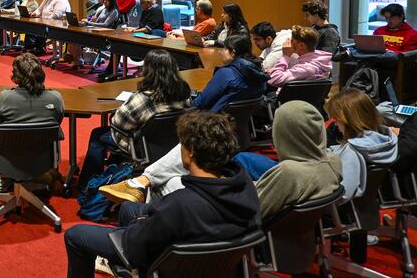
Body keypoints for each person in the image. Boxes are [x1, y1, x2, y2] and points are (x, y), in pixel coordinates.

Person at [64, 112, 261, 278]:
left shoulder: (181, 203)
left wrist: (141, 223)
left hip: (169, 261)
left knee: (75, 235)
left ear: (190, 151)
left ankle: (131, 269)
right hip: (215, 257)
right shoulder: (245, 187)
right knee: (127, 207)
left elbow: (134, 246)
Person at [99, 101, 343, 224]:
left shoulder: (290, 173)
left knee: (169, 183)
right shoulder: (331, 162)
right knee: (181, 173)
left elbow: (252, 210)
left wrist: (224, 183)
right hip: (242, 203)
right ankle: (143, 185)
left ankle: (144, 197)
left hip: (226, 218)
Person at [78, 50, 191, 187]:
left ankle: (87, 183)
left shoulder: (142, 98)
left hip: (141, 146)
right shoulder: (184, 93)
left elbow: (117, 123)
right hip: (171, 144)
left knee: (98, 134)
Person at [325, 89, 397, 204]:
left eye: (336, 118)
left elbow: (343, 195)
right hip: (367, 207)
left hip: (341, 213)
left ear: (348, 120)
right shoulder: (386, 140)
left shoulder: (351, 152)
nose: (335, 123)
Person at [192, 35, 269, 112]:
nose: (221, 51)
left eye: (225, 49)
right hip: (242, 122)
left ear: (233, 52)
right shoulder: (259, 73)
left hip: (213, 120)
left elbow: (200, 103)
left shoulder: (225, 74)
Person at [0, 53, 64, 127]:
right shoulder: (56, 98)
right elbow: (58, 121)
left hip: (12, 138)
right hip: (44, 138)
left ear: (16, 75)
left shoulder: (5, 97)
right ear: (41, 73)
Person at [267, 25, 332, 88]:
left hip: (290, 98)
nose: (289, 43)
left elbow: (274, 79)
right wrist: (276, 70)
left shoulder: (305, 69)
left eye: (292, 41)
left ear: (301, 45)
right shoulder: (320, 61)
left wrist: (285, 57)